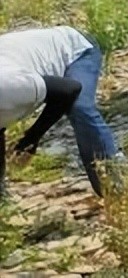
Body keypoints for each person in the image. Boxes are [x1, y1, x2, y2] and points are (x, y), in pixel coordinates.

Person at [0, 26, 124, 197]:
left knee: (79, 107)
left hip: (75, 49)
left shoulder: (9, 87)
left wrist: (31, 139)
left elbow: (68, 90)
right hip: (27, 57)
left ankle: (116, 188)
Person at [1, 62, 82, 198]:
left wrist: (31, 138)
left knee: (83, 111)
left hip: (75, 54)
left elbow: (71, 89)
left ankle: (110, 180)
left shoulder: (12, 87)